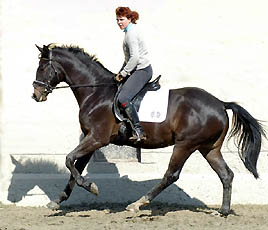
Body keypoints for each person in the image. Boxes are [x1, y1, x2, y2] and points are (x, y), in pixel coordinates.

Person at [115, 6, 153, 142]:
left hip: (142, 70)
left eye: (122, 19)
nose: (119, 22)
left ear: (129, 19)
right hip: (136, 69)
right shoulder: (128, 32)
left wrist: (124, 73)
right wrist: (120, 72)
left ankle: (138, 130)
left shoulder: (130, 34)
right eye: (117, 19)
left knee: (123, 98)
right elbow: (128, 59)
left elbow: (135, 58)